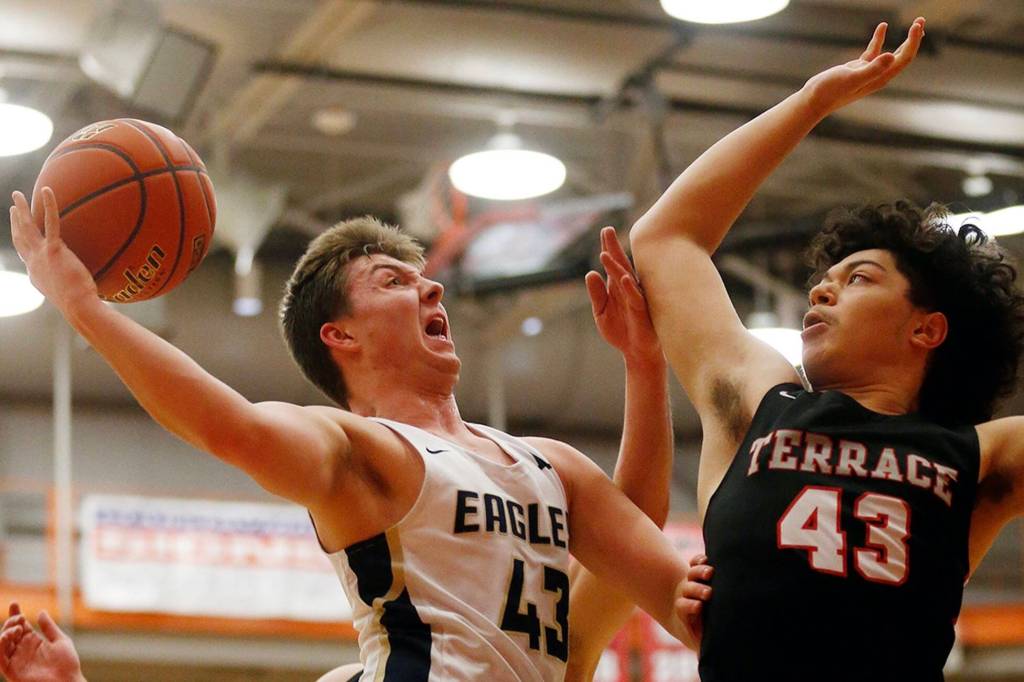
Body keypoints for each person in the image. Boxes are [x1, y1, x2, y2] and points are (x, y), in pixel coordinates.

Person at [9, 182, 709, 681]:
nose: (431, 289)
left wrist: (644, 365)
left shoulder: (548, 463)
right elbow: (233, 429)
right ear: (339, 334)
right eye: (392, 282)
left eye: (425, 280)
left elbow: (640, 535)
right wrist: (84, 308)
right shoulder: (360, 449)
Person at [631, 15, 1024, 682]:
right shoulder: (760, 400)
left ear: (926, 329)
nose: (821, 291)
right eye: (824, 280)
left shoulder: (981, 456)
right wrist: (812, 100)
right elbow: (666, 239)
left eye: (858, 278)